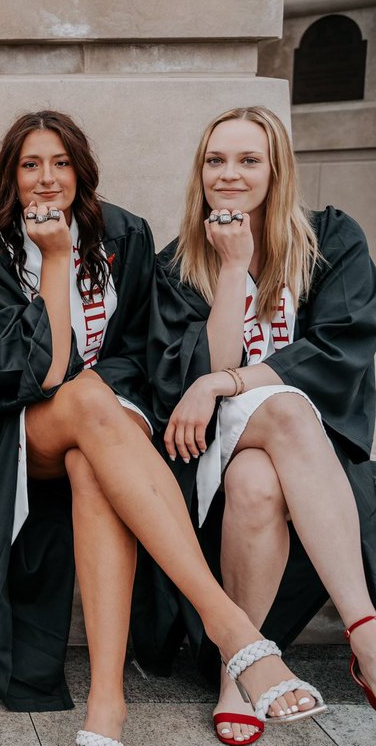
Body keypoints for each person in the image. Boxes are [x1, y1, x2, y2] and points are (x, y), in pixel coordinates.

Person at [0, 110, 328, 746]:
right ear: (10, 180)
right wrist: (52, 261)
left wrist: (112, 397)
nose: (47, 179)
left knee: (91, 459)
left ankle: (107, 706)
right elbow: (36, 376)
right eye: (30, 166)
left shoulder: (124, 235)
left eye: (61, 163)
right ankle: (230, 625)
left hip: (109, 426)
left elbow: (139, 350)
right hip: (21, 435)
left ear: (83, 172)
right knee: (81, 396)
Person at [138, 105, 376, 744]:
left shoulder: (331, 239)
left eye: (248, 160)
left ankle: (235, 676)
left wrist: (227, 380)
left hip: (303, 461)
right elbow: (197, 377)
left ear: (278, 169)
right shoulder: (179, 262)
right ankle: (369, 636)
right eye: (216, 160)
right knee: (284, 410)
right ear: (200, 171)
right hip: (207, 452)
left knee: (259, 478)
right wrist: (234, 269)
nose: (230, 174)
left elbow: (339, 354)